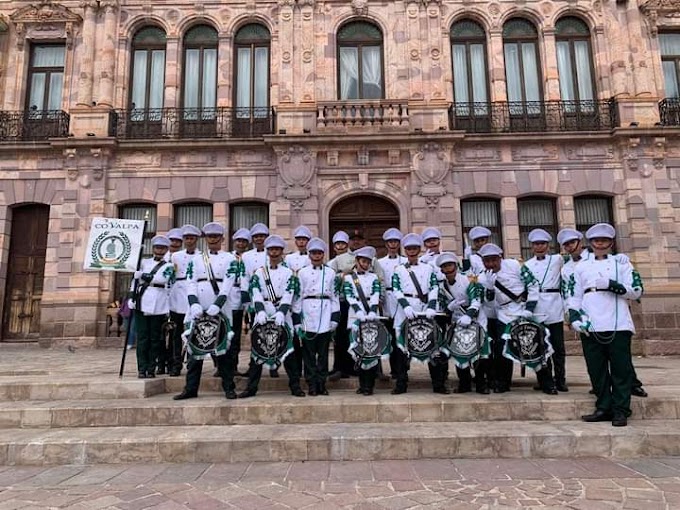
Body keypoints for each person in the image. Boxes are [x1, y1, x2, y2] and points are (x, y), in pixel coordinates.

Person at [567, 223, 644, 427]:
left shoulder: (622, 264)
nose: (600, 244)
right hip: (591, 323)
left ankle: (621, 409)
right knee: (596, 369)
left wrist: (613, 286)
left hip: (617, 322)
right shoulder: (581, 266)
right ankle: (603, 406)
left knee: (621, 369)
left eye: (604, 240)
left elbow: (636, 290)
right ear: (590, 243)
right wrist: (574, 317)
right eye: (595, 241)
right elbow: (573, 295)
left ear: (611, 243)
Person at [174, 222, 240, 400]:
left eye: (215, 236)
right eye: (209, 237)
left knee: (223, 350)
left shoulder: (230, 259)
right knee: (195, 349)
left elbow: (228, 285)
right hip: (199, 307)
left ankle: (229, 387)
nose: (212, 239)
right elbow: (190, 283)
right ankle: (191, 388)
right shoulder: (196, 259)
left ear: (222, 239)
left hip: (220, 306)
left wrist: (217, 305)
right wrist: (194, 303)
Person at [238, 235, 305, 398]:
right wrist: (260, 310)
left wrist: (281, 312)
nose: (274, 253)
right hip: (264, 313)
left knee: (288, 350)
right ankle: (251, 388)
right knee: (258, 350)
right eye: (271, 250)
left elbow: (290, 294)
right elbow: (255, 291)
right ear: (267, 252)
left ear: (282, 252)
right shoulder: (260, 272)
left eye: (277, 250)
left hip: (283, 314)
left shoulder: (290, 273)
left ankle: (295, 386)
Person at [477, 243, 543, 393]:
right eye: (487, 261)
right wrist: (489, 287)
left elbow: (532, 284)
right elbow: (488, 303)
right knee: (502, 348)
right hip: (504, 312)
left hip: (524, 308)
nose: (491, 264)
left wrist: (530, 308)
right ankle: (503, 383)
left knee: (534, 345)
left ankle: (546, 381)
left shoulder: (514, 265)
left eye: (494, 260)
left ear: (500, 258)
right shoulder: (482, 277)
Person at [391, 233, 443, 394]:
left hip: (424, 308)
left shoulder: (428, 268)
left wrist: (431, 306)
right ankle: (401, 383)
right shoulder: (399, 269)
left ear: (419, 250)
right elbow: (396, 289)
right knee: (402, 348)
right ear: (405, 250)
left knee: (431, 345)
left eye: (414, 248)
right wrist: (405, 306)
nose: (412, 251)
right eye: (408, 249)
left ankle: (438, 383)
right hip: (405, 310)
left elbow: (434, 287)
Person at [436, 252, 490, 394]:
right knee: (460, 351)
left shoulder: (469, 280)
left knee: (479, 352)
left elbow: (477, 300)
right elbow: (442, 307)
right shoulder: (442, 287)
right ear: (442, 270)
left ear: (456, 266)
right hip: (457, 321)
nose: (448, 269)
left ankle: (481, 384)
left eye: (450, 265)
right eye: (445, 267)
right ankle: (464, 384)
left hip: (475, 319)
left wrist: (469, 315)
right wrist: (449, 307)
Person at [293, 237, 341, 396]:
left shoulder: (331, 272)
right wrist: (297, 321)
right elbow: (297, 298)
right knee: (308, 353)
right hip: (307, 312)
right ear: (309, 255)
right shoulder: (302, 273)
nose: (317, 256)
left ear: (323, 254)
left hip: (325, 311)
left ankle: (322, 383)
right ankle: (311, 383)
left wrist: (334, 318)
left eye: (319, 253)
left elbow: (335, 297)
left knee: (324, 353)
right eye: (313, 253)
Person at [524, 228, 565, 394]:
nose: (539, 247)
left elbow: (579, 257)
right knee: (540, 347)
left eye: (542, 244)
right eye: (536, 244)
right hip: (536, 307)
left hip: (554, 304)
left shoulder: (557, 259)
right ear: (532, 247)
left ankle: (560, 379)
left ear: (548, 245)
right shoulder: (527, 265)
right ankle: (545, 379)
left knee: (558, 347)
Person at [128, 235, 175, 379]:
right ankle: (142, 368)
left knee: (155, 338)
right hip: (142, 300)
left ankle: (151, 368)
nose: (159, 250)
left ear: (166, 249)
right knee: (142, 338)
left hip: (159, 302)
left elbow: (162, 279)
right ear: (153, 248)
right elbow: (134, 282)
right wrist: (131, 297)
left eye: (162, 248)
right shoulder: (143, 262)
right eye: (157, 247)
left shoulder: (169, 265)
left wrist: (142, 275)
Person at [344, 246, 384, 395]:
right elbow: (349, 295)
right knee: (359, 351)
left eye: (368, 262)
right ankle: (362, 384)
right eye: (363, 261)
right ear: (357, 261)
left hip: (372, 315)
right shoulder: (349, 278)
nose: (366, 264)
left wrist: (373, 310)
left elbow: (376, 294)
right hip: (355, 316)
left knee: (372, 350)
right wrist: (359, 311)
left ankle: (370, 385)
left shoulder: (374, 277)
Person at [377, 228, 407, 379]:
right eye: (390, 242)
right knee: (389, 335)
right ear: (386, 244)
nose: (393, 244)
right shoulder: (380, 262)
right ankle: (393, 368)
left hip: (403, 300)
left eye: (395, 242)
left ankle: (403, 367)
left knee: (402, 334)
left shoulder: (406, 261)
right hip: (387, 299)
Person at [328, 230, 358, 380]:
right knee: (339, 337)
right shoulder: (330, 263)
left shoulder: (354, 259)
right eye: (337, 244)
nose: (340, 247)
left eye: (343, 244)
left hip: (355, 302)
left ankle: (354, 366)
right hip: (339, 302)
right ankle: (339, 367)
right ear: (334, 247)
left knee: (354, 335)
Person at [230, 228, 251, 377]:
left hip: (248, 295)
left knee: (241, 333)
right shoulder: (228, 257)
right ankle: (226, 365)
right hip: (231, 295)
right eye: (239, 241)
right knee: (229, 333)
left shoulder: (250, 258)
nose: (241, 243)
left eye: (244, 241)